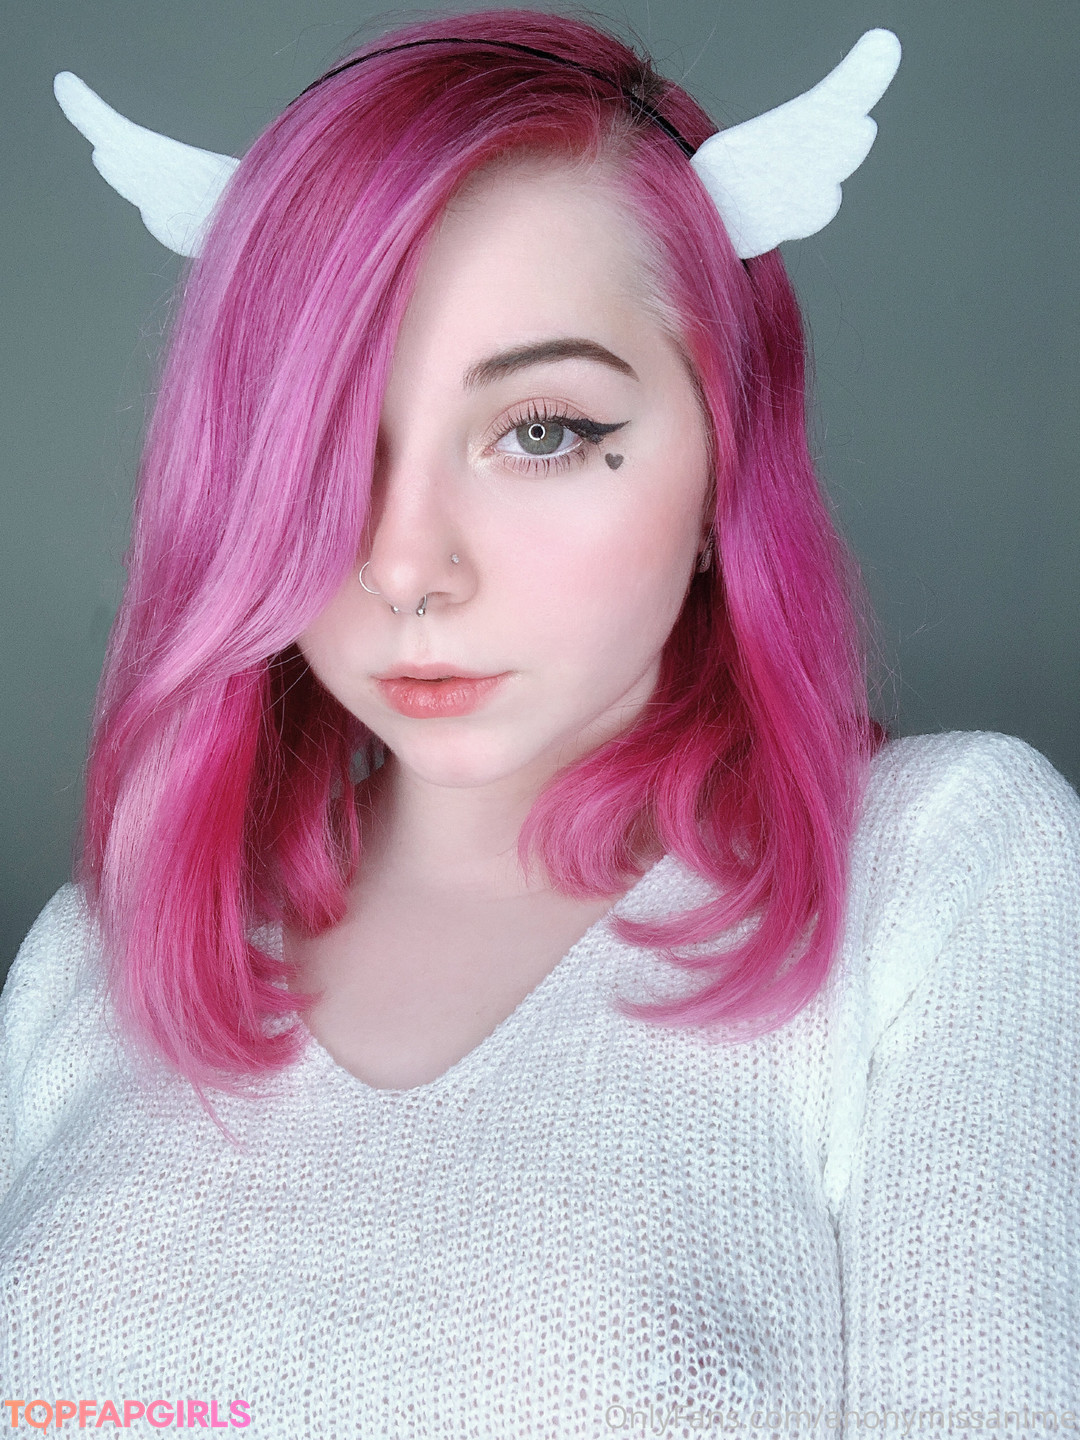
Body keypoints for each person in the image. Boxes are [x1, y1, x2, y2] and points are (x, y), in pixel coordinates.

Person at [2, 9, 1077, 1436]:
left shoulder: (942, 874)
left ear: (725, 460)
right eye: (327, 445)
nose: (409, 567)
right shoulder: (100, 956)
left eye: (544, 431)